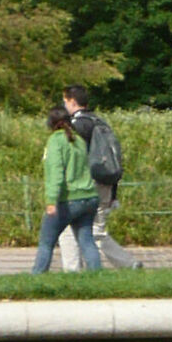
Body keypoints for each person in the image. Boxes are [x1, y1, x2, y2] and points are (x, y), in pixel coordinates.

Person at [63, 84, 131, 264]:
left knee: (69, 229)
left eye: (65, 101)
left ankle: (73, 271)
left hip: (84, 184)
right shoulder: (100, 122)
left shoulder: (77, 125)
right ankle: (129, 264)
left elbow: (71, 157)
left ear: (72, 101)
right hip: (105, 182)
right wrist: (113, 193)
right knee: (97, 231)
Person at [31, 103, 102, 273]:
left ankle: (36, 277)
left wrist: (51, 200)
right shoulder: (78, 140)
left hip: (69, 199)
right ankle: (97, 278)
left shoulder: (55, 141)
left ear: (51, 123)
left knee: (46, 242)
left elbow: (55, 173)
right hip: (90, 196)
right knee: (86, 240)